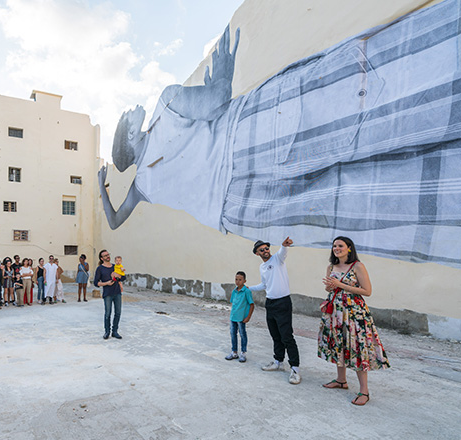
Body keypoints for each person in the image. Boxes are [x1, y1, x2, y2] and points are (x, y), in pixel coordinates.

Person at [100, 1, 461, 269]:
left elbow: (115, 220)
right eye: (127, 117)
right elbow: (217, 100)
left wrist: (102, 187)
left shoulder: (142, 186)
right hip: (246, 138)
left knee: (381, 201)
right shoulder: (168, 102)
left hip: (241, 210)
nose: (131, 111)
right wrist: (223, 75)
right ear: (130, 135)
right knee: (395, 93)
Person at [318, 236, 390, 406]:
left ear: (349, 248)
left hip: (354, 313)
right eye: (334, 246)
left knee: (357, 348)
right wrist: (330, 286)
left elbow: (367, 291)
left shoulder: (357, 266)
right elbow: (330, 288)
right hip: (335, 312)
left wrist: (340, 285)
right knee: (338, 344)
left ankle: (364, 391)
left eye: (340, 246)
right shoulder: (331, 267)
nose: (337, 248)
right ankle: (341, 380)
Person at [248, 237, 301, 385]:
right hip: (270, 302)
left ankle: (295, 368)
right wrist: (248, 288)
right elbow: (264, 285)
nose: (265, 251)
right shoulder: (262, 267)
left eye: (266, 248)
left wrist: (285, 246)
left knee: (287, 336)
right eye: (261, 250)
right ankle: (278, 362)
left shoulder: (277, 259)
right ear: (257, 253)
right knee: (275, 335)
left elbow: (283, 252)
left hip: (283, 302)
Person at [94, 249, 125, 340]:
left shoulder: (116, 266)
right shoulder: (100, 269)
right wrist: (106, 283)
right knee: (108, 313)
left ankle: (115, 331)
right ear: (102, 258)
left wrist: (118, 275)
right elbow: (96, 283)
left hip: (117, 293)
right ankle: (107, 332)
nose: (108, 256)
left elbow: (123, 277)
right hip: (107, 294)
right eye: (105, 255)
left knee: (118, 313)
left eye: (108, 254)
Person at [225, 271, 254, 363]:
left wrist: (248, 317)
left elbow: (252, 305)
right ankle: (234, 352)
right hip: (233, 317)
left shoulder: (246, 291)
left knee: (242, 334)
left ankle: (243, 353)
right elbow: (233, 303)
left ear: (244, 281)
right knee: (233, 334)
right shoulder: (234, 291)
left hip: (241, 318)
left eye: (240, 280)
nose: (238, 281)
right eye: (236, 279)